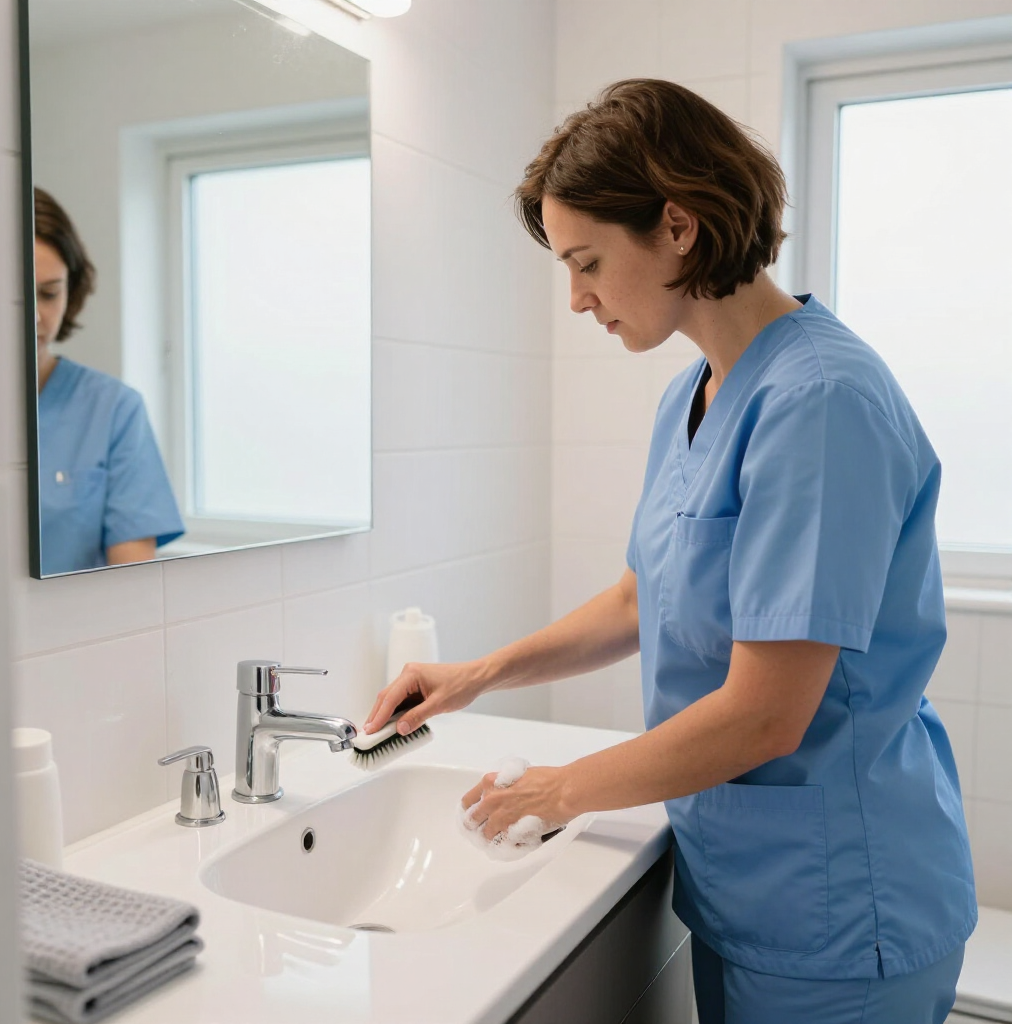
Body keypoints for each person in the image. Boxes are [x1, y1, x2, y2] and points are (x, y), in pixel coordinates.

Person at [363, 80, 976, 1023]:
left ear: (678, 227)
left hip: (847, 913)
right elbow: (638, 599)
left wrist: (561, 790)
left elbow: (767, 717)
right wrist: (478, 673)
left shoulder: (819, 401)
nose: (576, 300)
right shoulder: (695, 393)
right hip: (749, 894)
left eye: (588, 262)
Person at [34, 187, 184, 574]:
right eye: (14, 297)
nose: (33, 316)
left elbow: (131, 591)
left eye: (48, 294)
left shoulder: (113, 410)